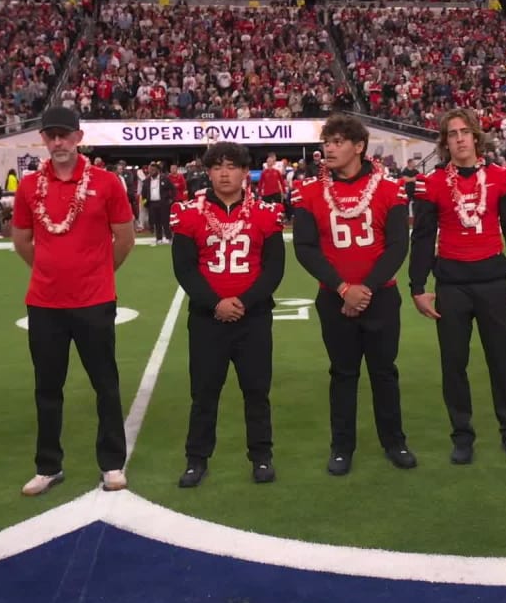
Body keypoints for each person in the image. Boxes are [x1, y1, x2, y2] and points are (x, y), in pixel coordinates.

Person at [12, 107, 136, 496]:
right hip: (45, 303)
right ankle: (48, 466)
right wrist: (51, 270)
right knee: (47, 387)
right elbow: (21, 241)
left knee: (106, 384)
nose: (58, 142)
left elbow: (125, 238)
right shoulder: (29, 186)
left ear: (79, 138)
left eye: (65, 135)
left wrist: (96, 272)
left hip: (94, 301)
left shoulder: (106, 182)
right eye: (51, 135)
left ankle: (112, 463)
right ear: (44, 140)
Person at [409, 108, 506, 464]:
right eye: (452, 133)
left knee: (503, 361)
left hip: (494, 282)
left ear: (476, 137)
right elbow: (421, 238)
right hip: (451, 284)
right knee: (454, 363)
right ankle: (462, 435)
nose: (460, 138)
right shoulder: (432, 183)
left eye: (465, 131)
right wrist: (417, 286)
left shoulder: (499, 177)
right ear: (445, 142)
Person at [292, 114, 415, 476]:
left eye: (337, 141)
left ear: (358, 146)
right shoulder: (310, 191)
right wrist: (344, 288)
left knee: (384, 373)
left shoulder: (389, 189)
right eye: (326, 141)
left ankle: (394, 441)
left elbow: (397, 246)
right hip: (334, 298)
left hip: (381, 297)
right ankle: (342, 446)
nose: (328, 148)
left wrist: (367, 288)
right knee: (342, 373)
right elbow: (305, 247)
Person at [170, 142, 284, 488]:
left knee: (256, 390)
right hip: (208, 318)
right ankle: (196, 459)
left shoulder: (266, 212)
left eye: (231, 166)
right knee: (204, 391)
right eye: (217, 166)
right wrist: (215, 303)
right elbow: (185, 269)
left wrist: (244, 303)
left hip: (253, 317)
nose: (224, 173)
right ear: (208, 171)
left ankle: (261, 457)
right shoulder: (188, 212)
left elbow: (274, 269)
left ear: (243, 171)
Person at [142, 162, 176, 246]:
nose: (151, 171)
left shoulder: (164, 178)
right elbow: (143, 194)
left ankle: (169, 238)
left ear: (157, 170)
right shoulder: (146, 181)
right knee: (156, 222)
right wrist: (145, 204)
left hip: (163, 203)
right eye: (150, 170)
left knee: (165, 221)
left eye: (153, 170)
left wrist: (171, 199)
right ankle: (159, 238)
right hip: (152, 204)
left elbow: (173, 189)